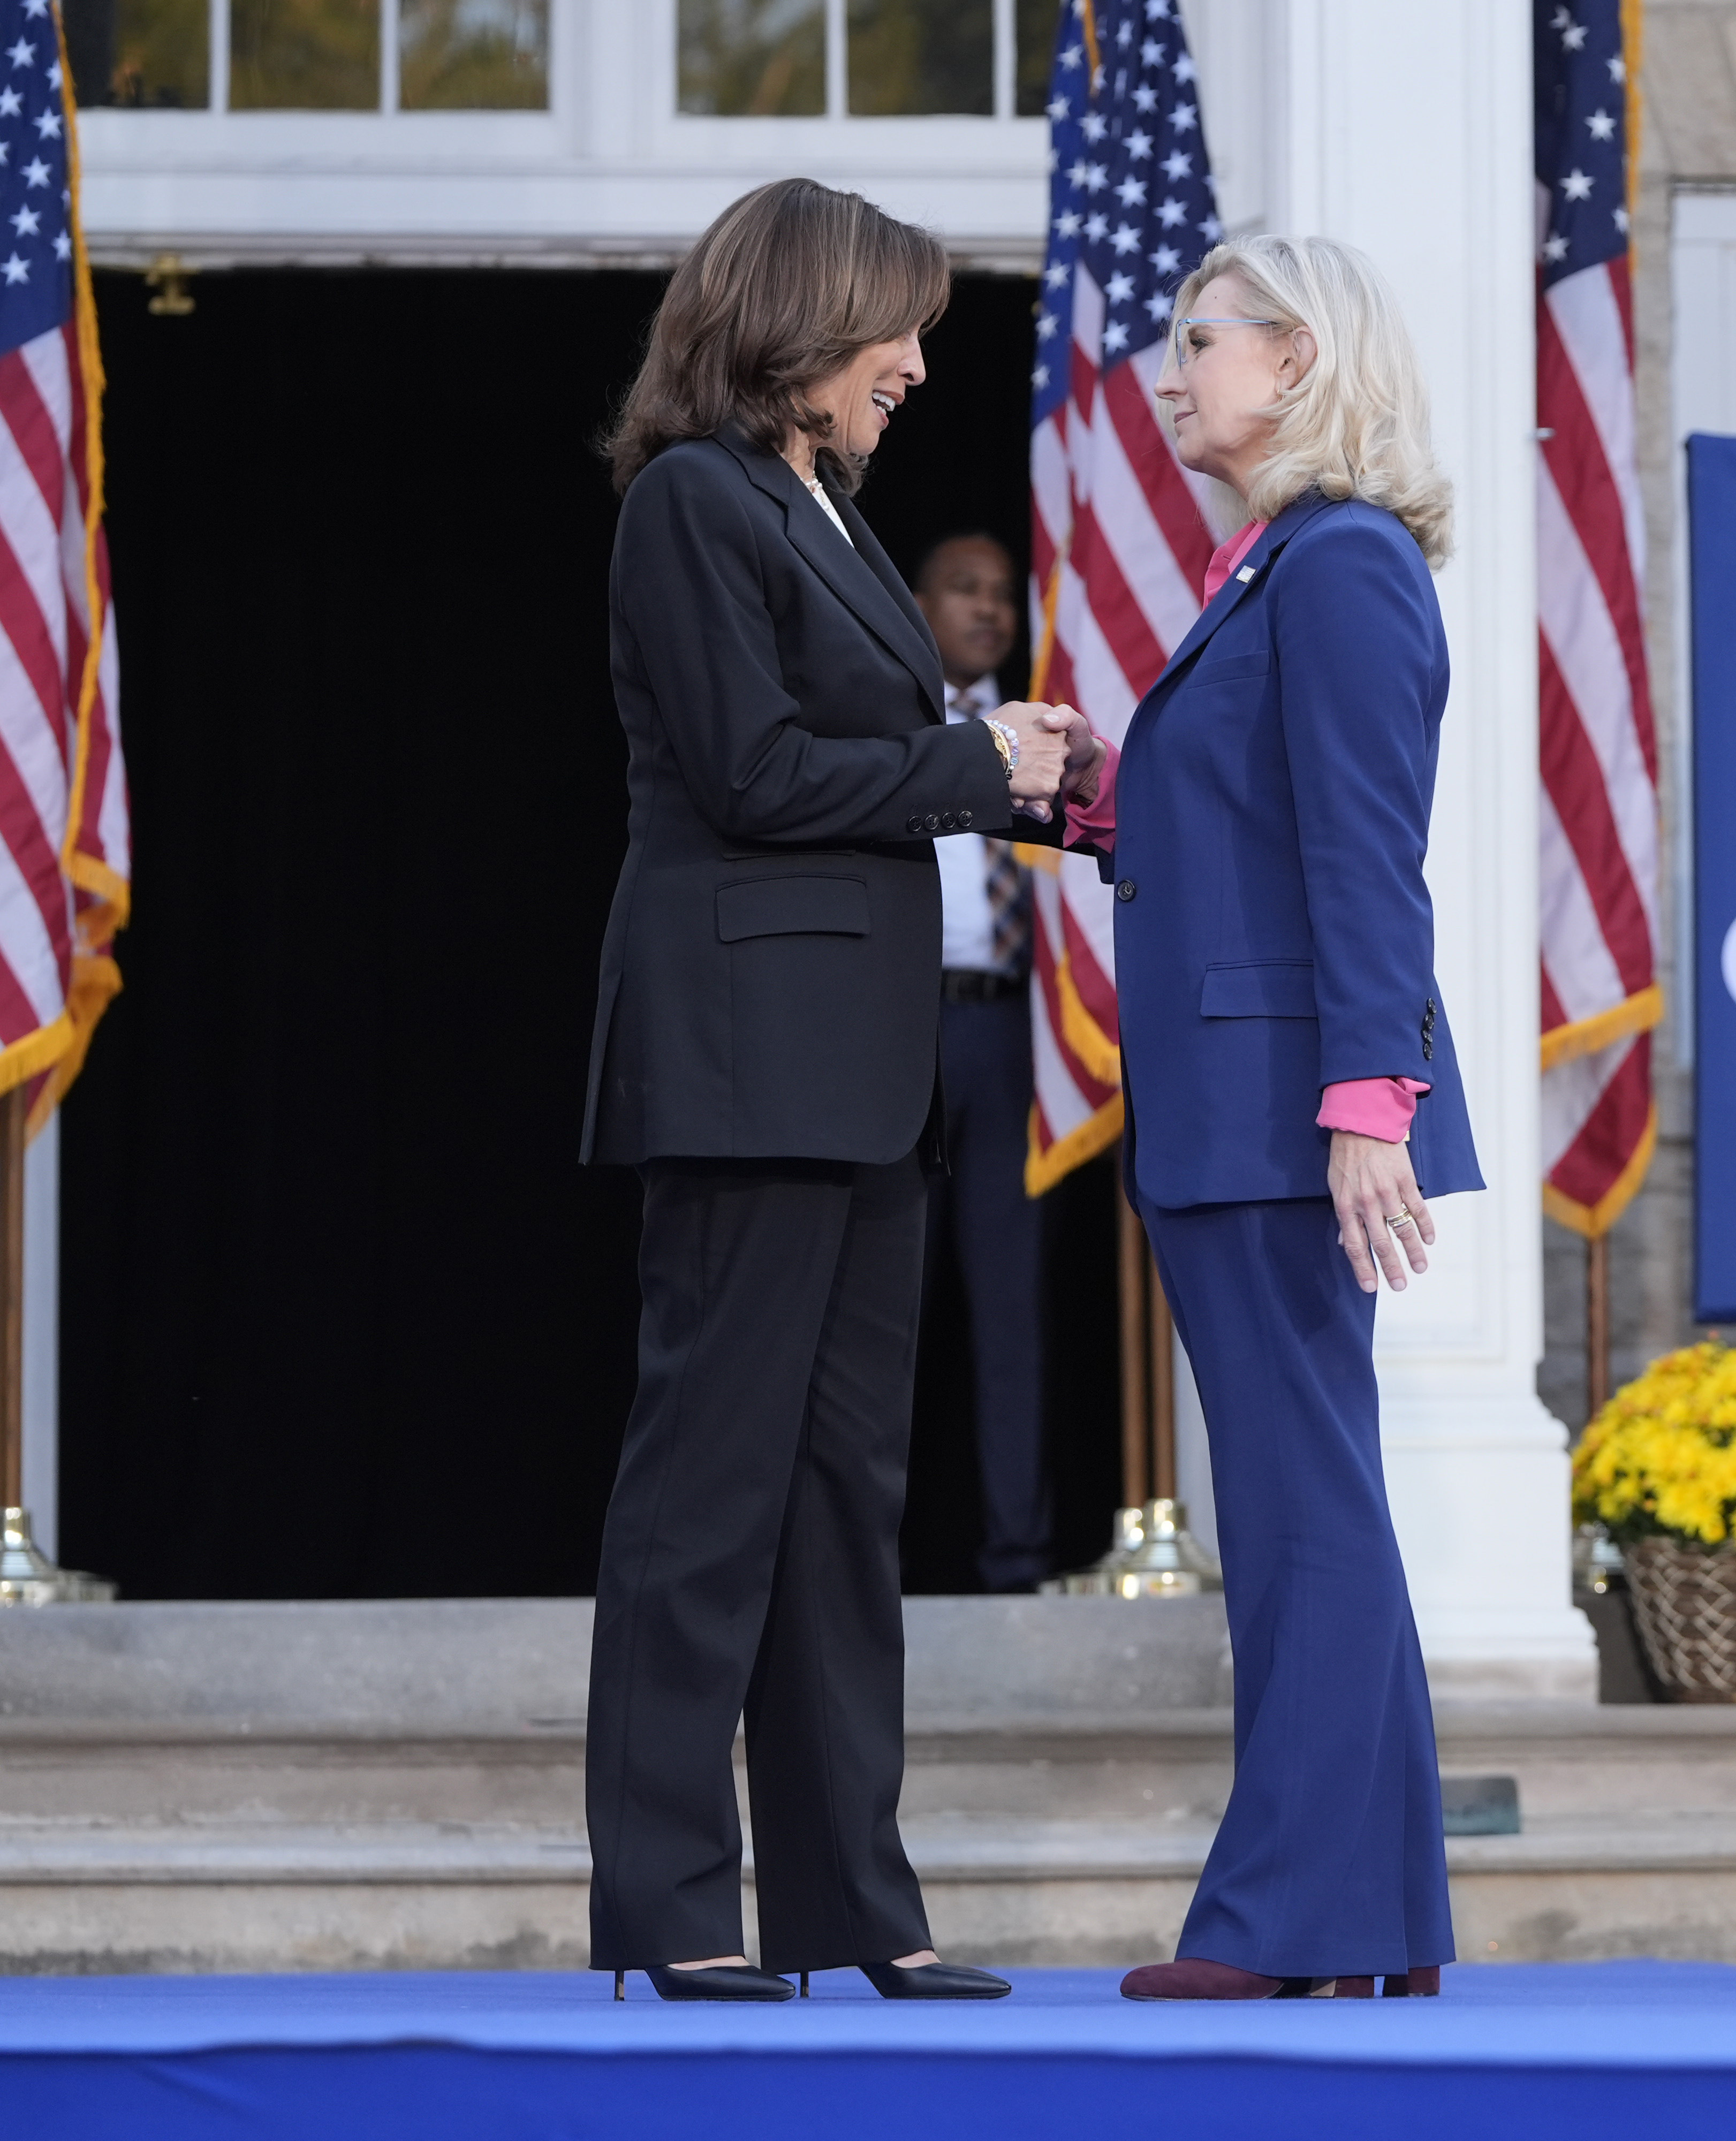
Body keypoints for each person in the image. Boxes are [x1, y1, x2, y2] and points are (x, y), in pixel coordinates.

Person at [579, 177, 1080, 2005]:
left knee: (842, 1507)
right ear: (803, 319)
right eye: (901, 329)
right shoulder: (694, 503)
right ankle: (670, 1903)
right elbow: (756, 772)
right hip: (743, 1067)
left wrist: (1014, 768)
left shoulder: (830, 513)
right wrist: (971, 761)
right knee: (706, 1501)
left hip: (861, 1079)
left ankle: (854, 1903)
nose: (919, 365)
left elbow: (857, 757)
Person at [1043, 234, 1482, 2002]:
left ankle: (1290, 1920)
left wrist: (1368, 1106)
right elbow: (1231, 830)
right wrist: (1087, 797)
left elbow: (1367, 857)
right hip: (1250, 1100)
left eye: (1199, 340)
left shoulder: (1344, 564)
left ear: (1296, 363)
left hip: (1290, 1114)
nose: (1167, 372)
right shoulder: (1276, 567)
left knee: (1301, 1512)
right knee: (1316, 1505)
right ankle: (1376, 1920)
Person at [911, 531, 1055, 1594]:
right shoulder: (886, 719)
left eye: (1003, 594)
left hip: (1008, 1034)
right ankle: (865, 1559)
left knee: (1011, 1305)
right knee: (884, 1302)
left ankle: (1018, 1559)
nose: (988, 610)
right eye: (965, 590)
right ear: (919, 604)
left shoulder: (1048, 728)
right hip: (900, 1031)